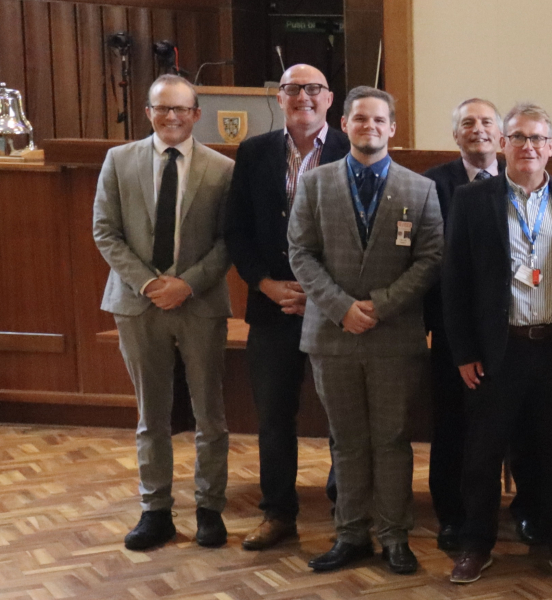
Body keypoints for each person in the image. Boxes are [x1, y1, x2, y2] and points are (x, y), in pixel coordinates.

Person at [440, 102, 552, 584]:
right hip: (498, 351)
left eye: (537, 139)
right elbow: (455, 282)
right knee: (483, 454)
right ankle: (476, 544)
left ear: (551, 148)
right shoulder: (475, 201)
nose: (528, 147)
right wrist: (465, 351)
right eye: (518, 138)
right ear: (503, 145)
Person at [286, 86, 441, 575]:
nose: (369, 127)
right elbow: (301, 254)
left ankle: (395, 536)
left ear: (392, 128)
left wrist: (379, 306)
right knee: (345, 440)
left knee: (392, 440)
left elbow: (430, 258)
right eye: (360, 119)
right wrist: (341, 308)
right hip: (333, 336)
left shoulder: (421, 190)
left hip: (394, 337)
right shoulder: (315, 183)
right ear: (345, 124)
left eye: (378, 120)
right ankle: (350, 534)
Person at [94, 74, 236, 551]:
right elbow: (105, 231)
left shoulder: (222, 168)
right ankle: (155, 511)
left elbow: (228, 241)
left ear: (197, 114)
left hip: (200, 303)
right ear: (148, 112)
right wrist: (151, 283)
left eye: (181, 109)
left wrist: (187, 284)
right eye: (162, 108)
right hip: (137, 304)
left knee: (209, 414)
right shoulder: (119, 161)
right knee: (150, 415)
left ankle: (209, 508)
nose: (172, 117)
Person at [224, 64, 348, 551]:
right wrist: (266, 285)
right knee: (275, 418)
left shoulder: (350, 149)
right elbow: (236, 230)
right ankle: (278, 514)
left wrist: (326, 293)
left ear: (329, 98)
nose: (304, 96)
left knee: (342, 418)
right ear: (279, 98)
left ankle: (347, 511)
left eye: (314, 89)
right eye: (293, 88)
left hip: (333, 310)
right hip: (273, 308)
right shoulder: (253, 153)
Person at [418, 97, 528, 551]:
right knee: (453, 426)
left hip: (514, 332)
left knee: (521, 425)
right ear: (456, 134)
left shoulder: (521, 180)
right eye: (468, 122)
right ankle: (453, 515)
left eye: (487, 122)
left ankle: (525, 510)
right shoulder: (432, 184)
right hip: (455, 332)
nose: (478, 129)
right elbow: (428, 261)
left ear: (501, 135)